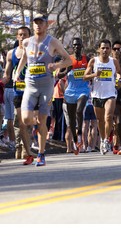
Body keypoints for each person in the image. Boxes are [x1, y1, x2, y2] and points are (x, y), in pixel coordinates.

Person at [13, 14, 72, 166]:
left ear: (46, 25)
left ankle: (41, 153)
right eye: (36, 23)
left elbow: (68, 60)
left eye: (41, 23)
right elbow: (25, 58)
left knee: (42, 120)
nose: (38, 26)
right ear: (33, 26)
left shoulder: (52, 42)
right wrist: (17, 73)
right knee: (25, 119)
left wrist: (56, 66)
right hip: (30, 85)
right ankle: (36, 129)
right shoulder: (27, 42)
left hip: (46, 86)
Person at [83, 39, 121, 155]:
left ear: (110, 50)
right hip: (97, 94)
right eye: (103, 48)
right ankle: (103, 139)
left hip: (110, 94)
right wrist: (95, 74)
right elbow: (85, 76)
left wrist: (119, 79)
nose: (105, 50)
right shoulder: (93, 61)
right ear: (98, 49)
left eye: (107, 48)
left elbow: (118, 73)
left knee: (108, 117)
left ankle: (105, 141)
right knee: (100, 120)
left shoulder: (114, 61)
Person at [3, 26, 35, 164]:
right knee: (19, 121)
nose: (22, 37)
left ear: (30, 36)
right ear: (17, 37)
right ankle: (20, 147)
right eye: (20, 35)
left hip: (32, 91)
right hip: (17, 91)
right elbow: (7, 73)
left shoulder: (34, 51)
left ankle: (24, 147)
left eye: (25, 35)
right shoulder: (11, 53)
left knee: (29, 122)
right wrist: (5, 78)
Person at [57, 37, 90, 154]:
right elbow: (58, 75)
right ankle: (76, 142)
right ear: (72, 47)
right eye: (75, 45)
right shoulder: (67, 59)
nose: (77, 47)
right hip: (70, 90)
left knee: (79, 111)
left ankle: (79, 133)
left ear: (82, 46)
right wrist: (66, 71)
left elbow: (93, 72)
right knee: (71, 121)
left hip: (83, 90)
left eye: (79, 45)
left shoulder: (87, 59)